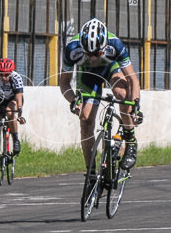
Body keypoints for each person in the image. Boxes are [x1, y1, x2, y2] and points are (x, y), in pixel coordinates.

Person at [59, 18, 143, 182]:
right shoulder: (72, 48)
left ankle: (130, 139)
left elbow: (133, 80)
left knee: (122, 94)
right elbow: (63, 83)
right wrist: (73, 100)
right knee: (85, 119)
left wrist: (135, 106)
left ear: (104, 46)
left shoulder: (115, 44)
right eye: (88, 53)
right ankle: (90, 172)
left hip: (110, 69)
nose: (92, 58)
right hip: (88, 76)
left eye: (97, 53)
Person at [0, 57, 26, 171]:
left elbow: (19, 97)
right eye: (1, 75)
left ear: (11, 73)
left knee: (9, 111)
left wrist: (20, 113)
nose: (4, 77)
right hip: (0, 99)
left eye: (6, 75)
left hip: (13, 99)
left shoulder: (16, 78)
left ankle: (16, 138)